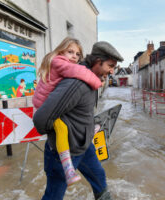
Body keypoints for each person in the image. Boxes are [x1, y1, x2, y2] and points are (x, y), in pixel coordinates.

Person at [33, 41, 123, 200]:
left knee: (99, 177)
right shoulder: (77, 83)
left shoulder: (90, 78)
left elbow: (81, 112)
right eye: (110, 66)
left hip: (85, 146)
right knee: (54, 195)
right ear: (97, 61)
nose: (112, 71)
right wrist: (60, 134)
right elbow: (41, 119)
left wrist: (86, 129)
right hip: (64, 152)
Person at [32, 37, 102, 185]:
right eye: (70, 52)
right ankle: (68, 168)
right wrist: (97, 83)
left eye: (77, 54)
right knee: (62, 128)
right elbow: (78, 71)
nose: (74, 57)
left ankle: (88, 131)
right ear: (61, 51)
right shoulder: (59, 62)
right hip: (44, 104)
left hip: (47, 101)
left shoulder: (59, 63)